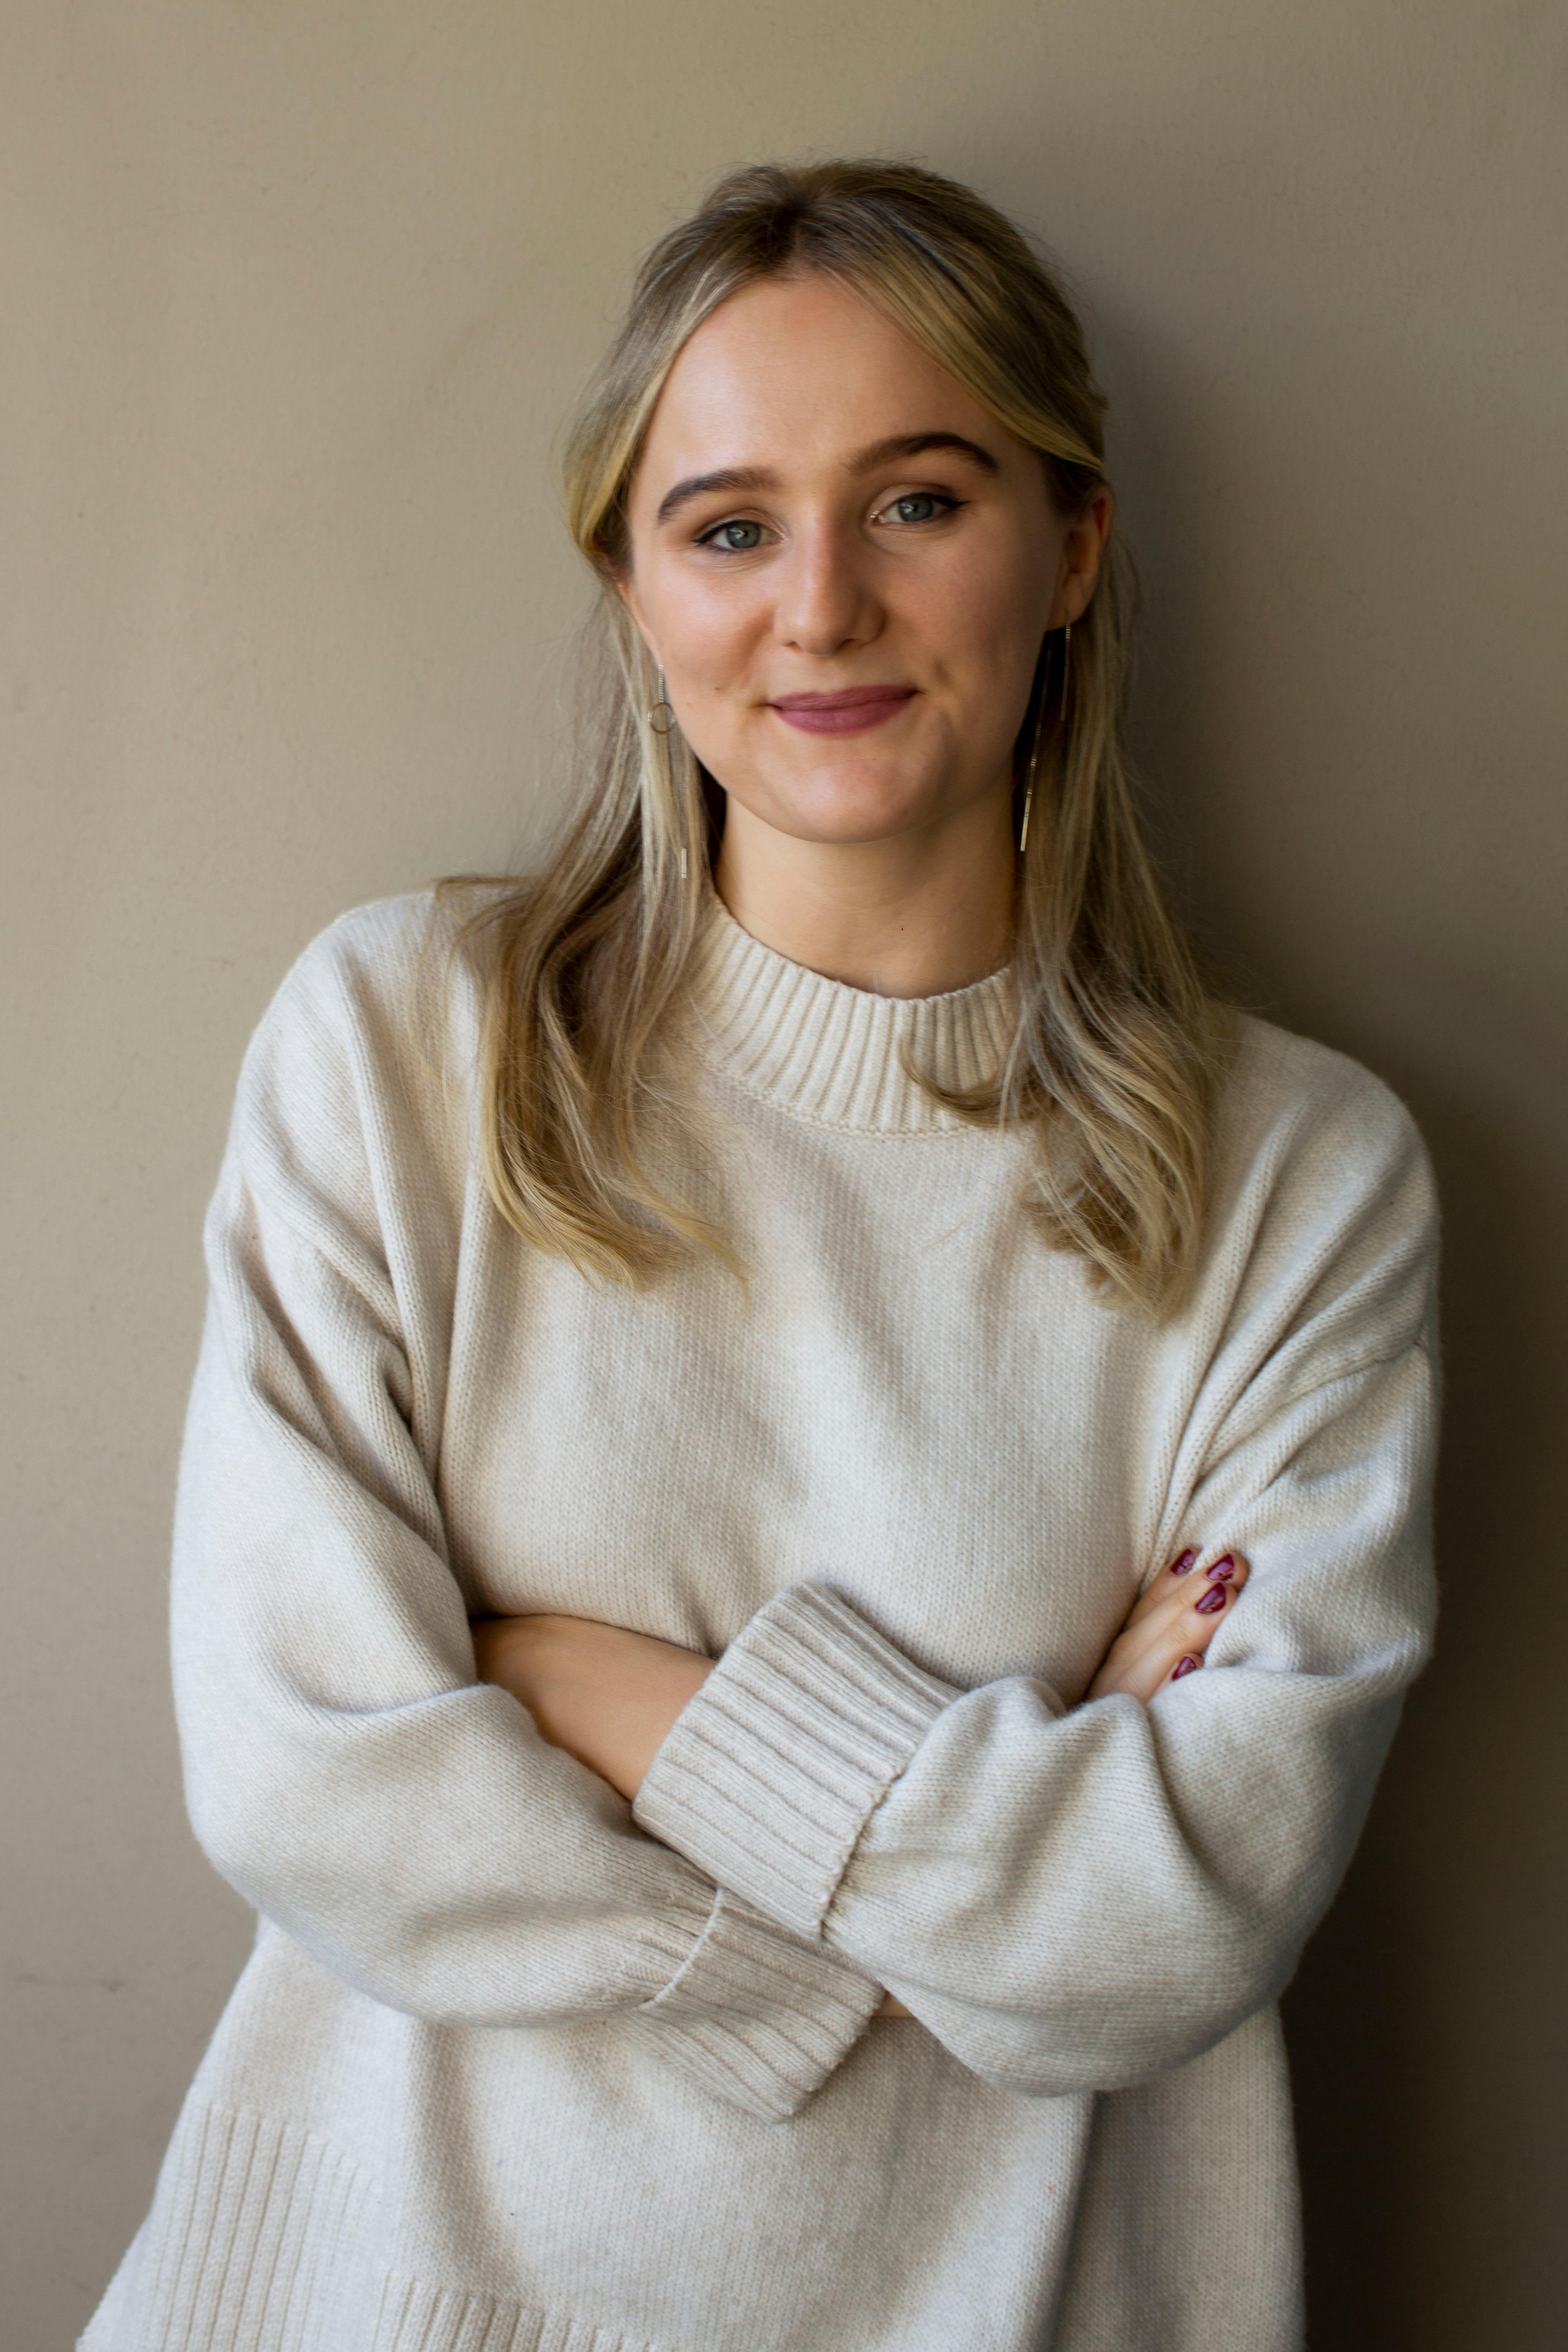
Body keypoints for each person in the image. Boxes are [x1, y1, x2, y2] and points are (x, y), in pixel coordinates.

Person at [81, 160, 1437, 2352]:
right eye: (727, 524)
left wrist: (594, 1686)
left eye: (917, 500)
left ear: (1071, 545)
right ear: (636, 585)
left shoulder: (1304, 1181)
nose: (817, 608)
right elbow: (307, 1766)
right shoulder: (406, 1047)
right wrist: (949, 1870)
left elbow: (1174, 1926)